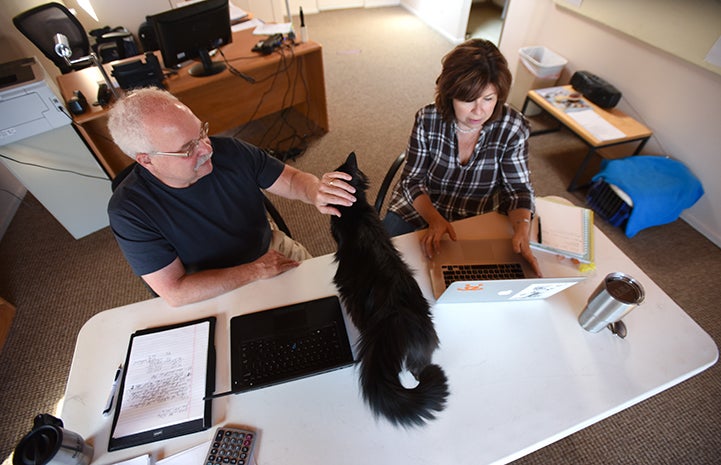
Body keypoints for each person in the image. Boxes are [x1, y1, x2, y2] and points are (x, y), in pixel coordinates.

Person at [107, 87, 356, 307]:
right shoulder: (129, 210)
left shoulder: (231, 151)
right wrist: (254, 271)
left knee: (330, 305)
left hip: (269, 252)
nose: (207, 149)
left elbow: (290, 180)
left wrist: (315, 191)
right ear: (146, 159)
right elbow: (176, 291)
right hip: (208, 288)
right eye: (188, 148)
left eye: (201, 133)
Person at [383, 39, 541, 276]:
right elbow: (412, 181)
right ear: (450, 95)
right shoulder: (428, 119)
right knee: (380, 260)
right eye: (468, 100)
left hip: (474, 214)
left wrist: (522, 228)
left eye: (488, 99)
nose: (479, 111)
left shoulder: (513, 127)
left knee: (470, 278)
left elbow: (518, 189)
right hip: (421, 205)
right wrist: (435, 219)